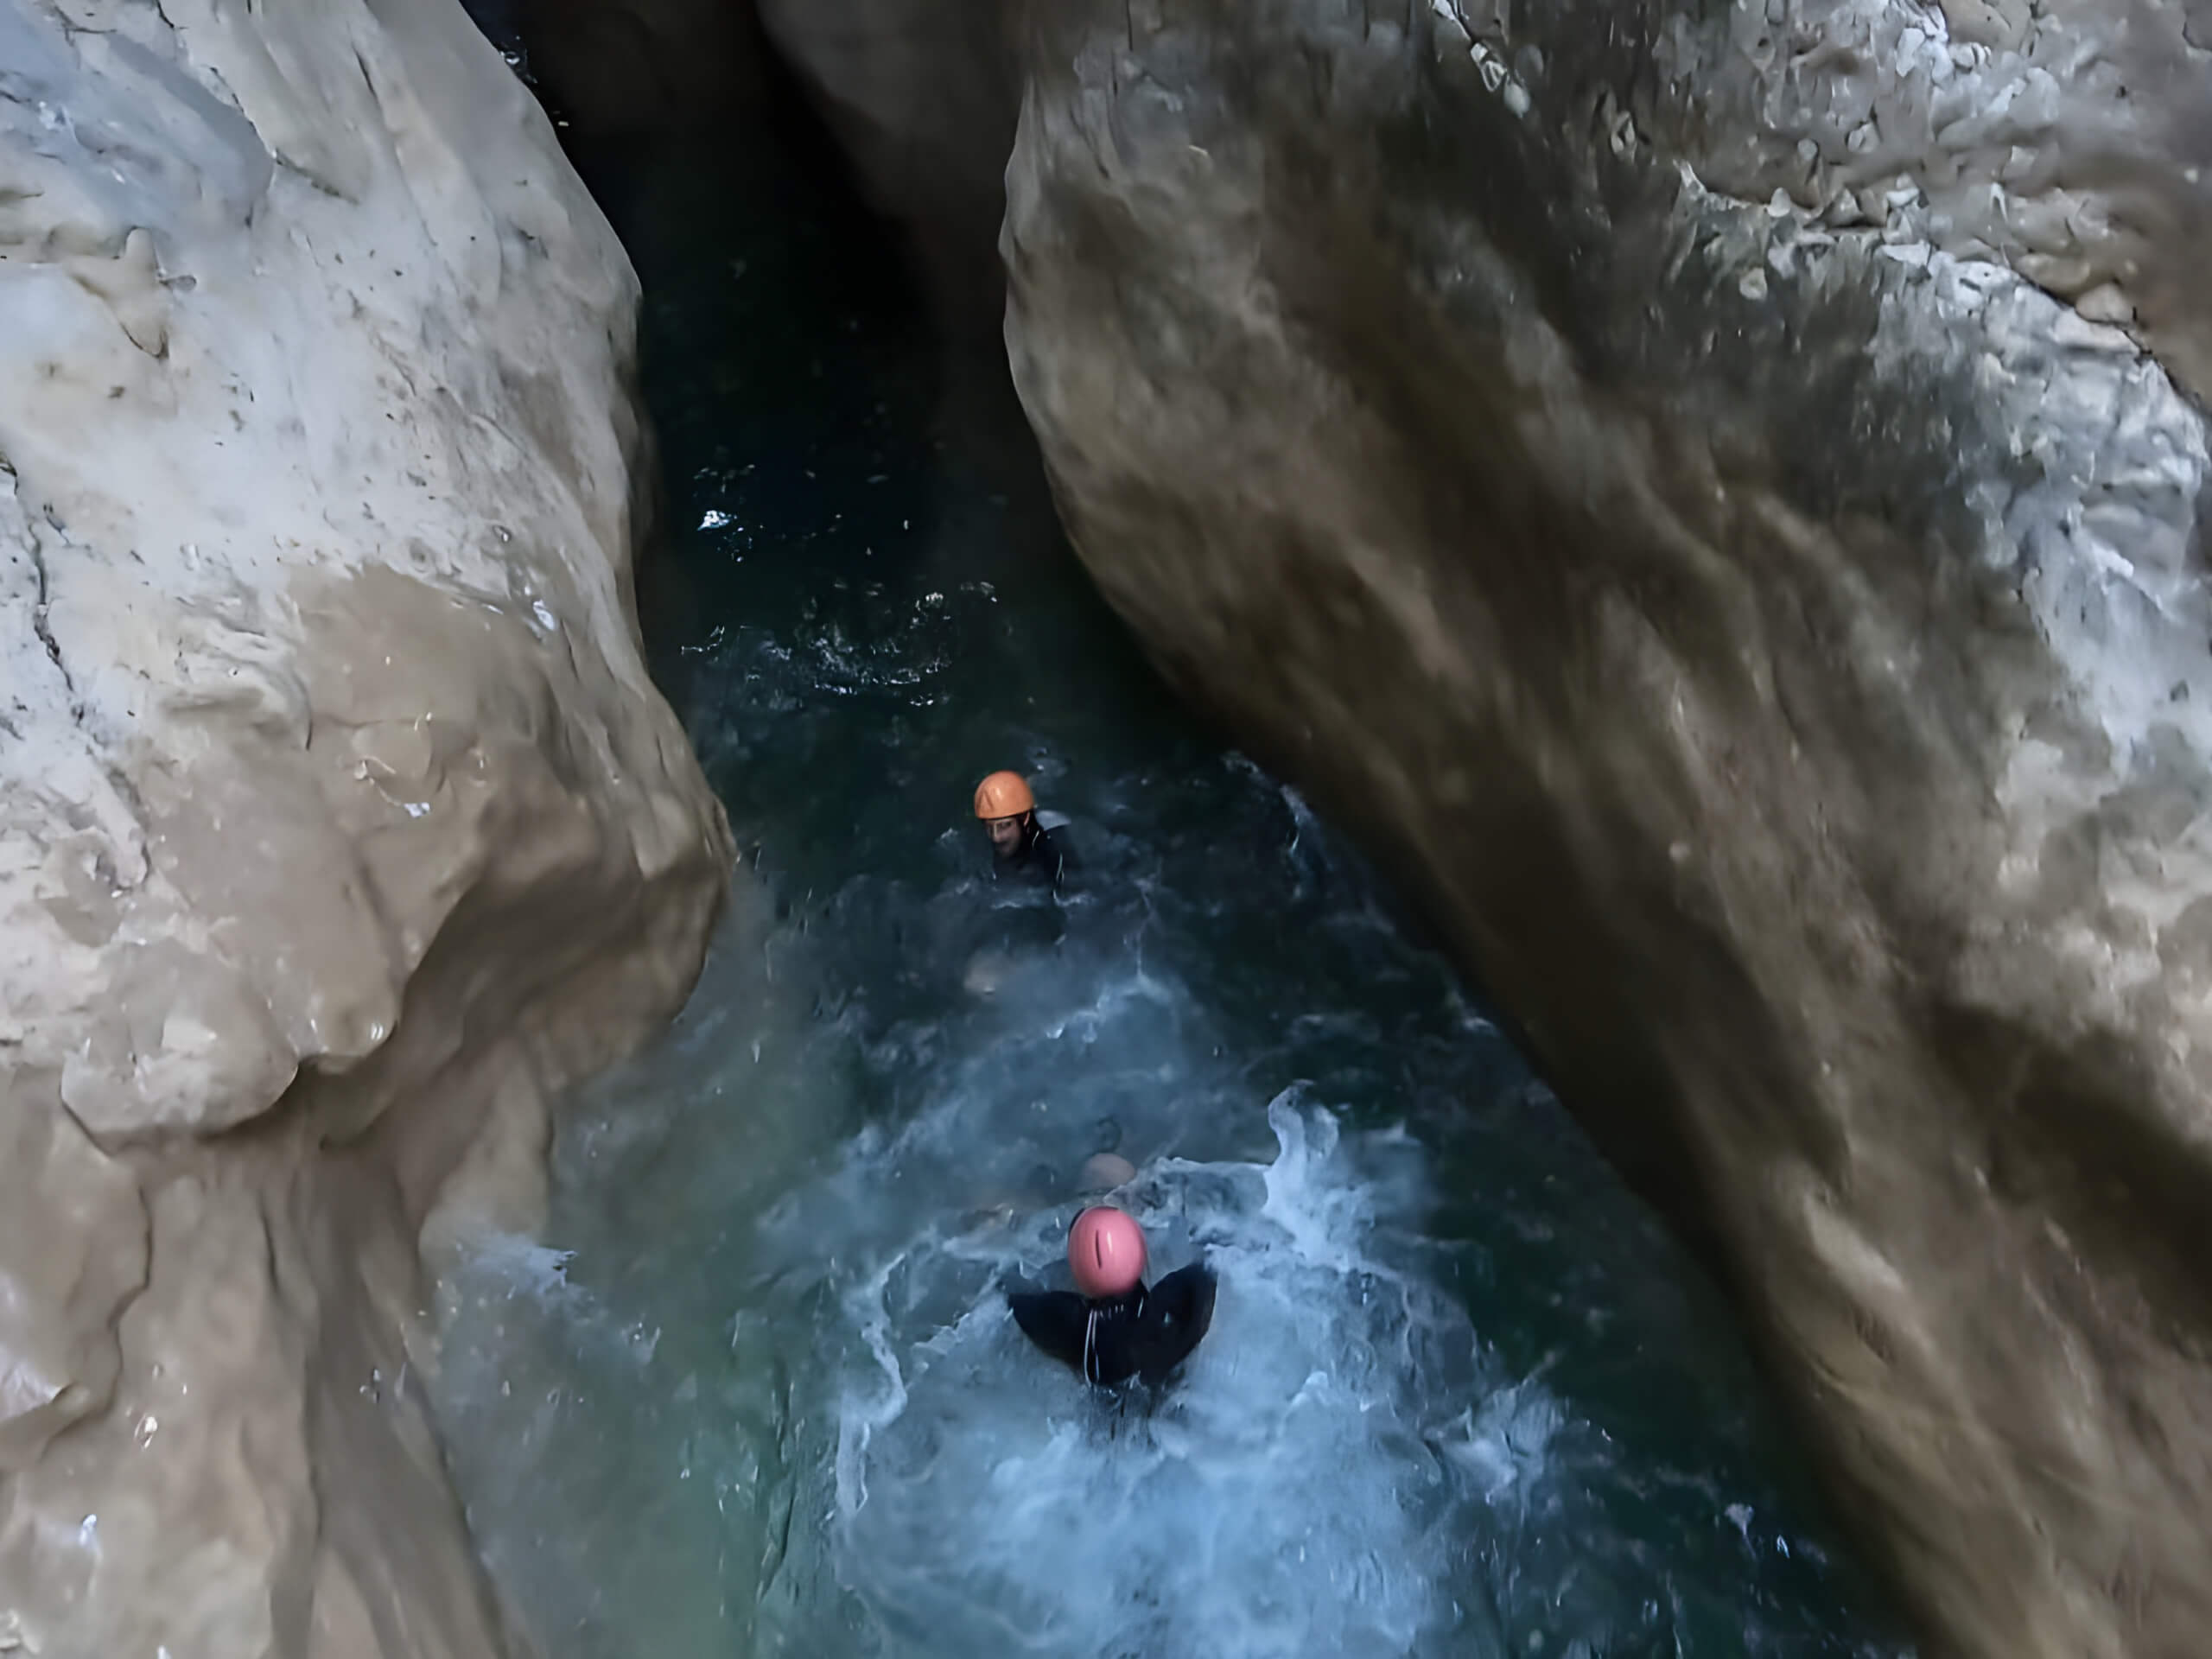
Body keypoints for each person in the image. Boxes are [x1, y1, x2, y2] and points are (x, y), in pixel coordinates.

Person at [1008, 1206, 1217, 1389]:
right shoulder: (1170, 1308)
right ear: (1139, 1250)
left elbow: (1016, 1303)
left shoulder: (1070, 1323)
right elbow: (1209, 1268)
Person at [973, 770, 1066, 894]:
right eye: (989, 827)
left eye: (1004, 826)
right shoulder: (987, 848)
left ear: (1025, 819)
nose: (996, 837)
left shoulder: (1051, 846)